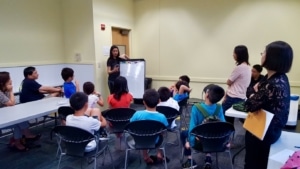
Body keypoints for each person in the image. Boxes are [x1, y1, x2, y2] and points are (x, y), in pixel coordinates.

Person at [244, 41, 293, 169]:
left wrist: (253, 94)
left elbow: (248, 105)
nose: (262, 54)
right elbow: (252, 91)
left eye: (264, 52)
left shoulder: (272, 84)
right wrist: (254, 93)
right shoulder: (277, 77)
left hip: (262, 134)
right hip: (269, 130)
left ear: (273, 57)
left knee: (254, 164)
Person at [181, 84, 225, 169]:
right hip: (216, 142)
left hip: (199, 143)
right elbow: (223, 125)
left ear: (207, 95)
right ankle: (208, 158)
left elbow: (192, 127)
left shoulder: (196, 107)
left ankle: (190, 160)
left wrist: (190, 142)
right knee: (211, 131)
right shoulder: (219, 107)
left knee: (183, 133)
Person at [0, 71, 39, 152]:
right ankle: (20, 140)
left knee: (20, 120)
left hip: (4, 116)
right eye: (9, 79)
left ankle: (21, 138)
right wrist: (11, 91)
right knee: (17, 123)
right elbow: (11, 103)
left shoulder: (5, 90)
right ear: (3, 82)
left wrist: (9, 91)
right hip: (2, 120)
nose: (11, 80)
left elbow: (9, 104)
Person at [130, 89, 168, 165]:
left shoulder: (137, 114)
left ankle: (145, 155)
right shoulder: (162, 117)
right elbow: (164, 130)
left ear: (143, 102)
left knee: (142, 132)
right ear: (159, 101)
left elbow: (130, 125)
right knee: (162, 134)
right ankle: (159, 153)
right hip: (155, 141)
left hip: (139, 140)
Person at [222, 45, 251, 124]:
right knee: (235, 120)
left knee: (225, 120)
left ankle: (227, 135)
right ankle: (232, 134)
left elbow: (229, 82)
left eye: (234, 53)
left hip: (232, 97)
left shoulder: (239, 68)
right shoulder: (248, 67)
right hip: (241, 97)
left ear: (239, 54)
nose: (233, 55)